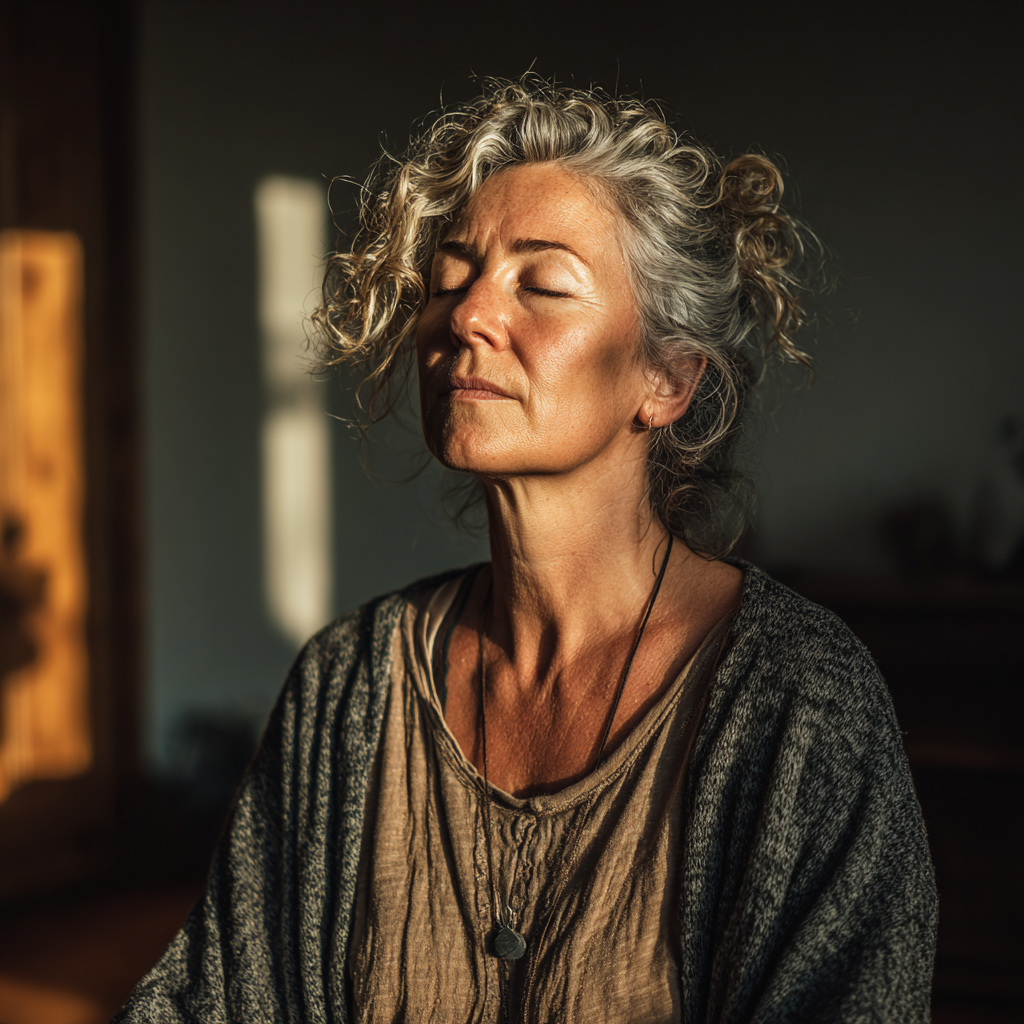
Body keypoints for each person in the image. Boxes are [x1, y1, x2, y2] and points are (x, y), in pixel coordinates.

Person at [116, 79, 937, 1023]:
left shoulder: (801, 704)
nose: (467, 315)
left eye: (541, 285)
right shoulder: (346, 687)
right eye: (450, 277)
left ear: (667, 380)